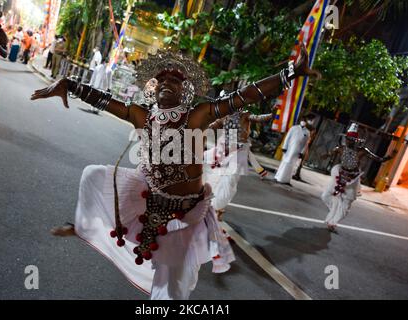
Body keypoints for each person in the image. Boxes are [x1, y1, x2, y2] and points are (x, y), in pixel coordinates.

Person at [31, 45, 320, 299]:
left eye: (176, 80)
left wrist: (289, 73)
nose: (168, 83)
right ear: (153, 88)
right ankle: (84, 226)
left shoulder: (199, 114)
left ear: (186, 90)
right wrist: (68, 84)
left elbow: (245, 96)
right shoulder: (140, 114)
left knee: (171, 288)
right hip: (148, 200)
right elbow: (102, 99)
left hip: (184, 217)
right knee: (93, 175)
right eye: (162, 80)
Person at [321, 123, 392, 233]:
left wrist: (387, 158)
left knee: (346, 203)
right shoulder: (340, 148)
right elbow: (329, 154)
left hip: (352, 179)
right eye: (348, 139)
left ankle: (333, 222)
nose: (349, 141)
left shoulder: (362, 151)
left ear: (356, 140)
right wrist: (325, 155)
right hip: (339, 175)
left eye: (352, 139)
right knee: (325, 195)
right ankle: (334, 209)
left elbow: (378, 159)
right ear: (346, 138)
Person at [205, 110, 273, 220]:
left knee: (231, 181)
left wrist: (273, 114)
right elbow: (213, 125)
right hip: (223, 150)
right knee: (216, 178)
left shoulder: (245, 115)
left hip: (239, 152)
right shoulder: (224, 116)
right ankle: (213, 206)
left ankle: (219, 207)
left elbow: (258, 118)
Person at [274, 113, 316, 186]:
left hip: (297, 151)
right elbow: (287, 138)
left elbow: (305, 144)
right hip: (289, 149)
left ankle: (286, 180)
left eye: (304, 120)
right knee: (285, 163)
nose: (303, 121)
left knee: (292, 165)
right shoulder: (294, 128)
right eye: (302, 120)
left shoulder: (307, 132)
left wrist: (301, 153)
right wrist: (284, 147)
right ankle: (279, 177)